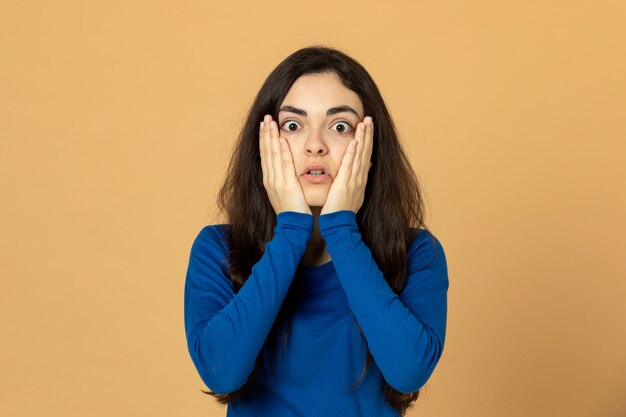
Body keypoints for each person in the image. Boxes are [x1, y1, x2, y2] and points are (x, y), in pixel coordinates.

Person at [183, 45, 449, 417]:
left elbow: (408, 373)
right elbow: (221, 373)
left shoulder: (419, 253)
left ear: (370, 148)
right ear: (264, 144)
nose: (315, 146)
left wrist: (341, 228)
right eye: (293, 125)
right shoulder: (217, 249)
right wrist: (291, 229)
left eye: (339, 127)